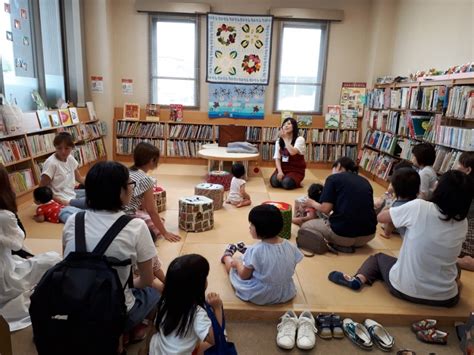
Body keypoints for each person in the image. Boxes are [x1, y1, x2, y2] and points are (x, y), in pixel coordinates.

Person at [328, 170, 473, 307]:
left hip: (405, 289)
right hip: (446, 299)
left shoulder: (419, 207)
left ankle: (358, 279)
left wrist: (389, 201)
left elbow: (380, 217)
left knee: (378, 259)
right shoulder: (463, 223)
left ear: (440, 191)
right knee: (454, 269)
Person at [62, 161, 160, 345]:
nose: (132, 189)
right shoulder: (136, 226)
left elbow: (67, 263)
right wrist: (126, 284)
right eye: (130, 185)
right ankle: (128, 330)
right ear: (121, 192)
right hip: (115, 309)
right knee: (153, 294)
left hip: (76, 304)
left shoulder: (73, 220)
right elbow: (146, 280)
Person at [0, 164, 61, 331]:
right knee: (54, 259)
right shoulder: (5, 217)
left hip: (8, 264)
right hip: (5, 278)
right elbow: (18, 242)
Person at [222, 204, 303, 305]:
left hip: (261, 294)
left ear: (261, 229)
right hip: (286, 292)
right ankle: (244, 253)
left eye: (252, 224)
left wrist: (237, 264)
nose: (249, 227)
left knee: (235, 267)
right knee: (258, 264)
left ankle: (227, 255)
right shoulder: (291, 246)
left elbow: (244, 276)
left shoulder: (256, 250)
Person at [150, 254, 224, 355]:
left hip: (157, 350)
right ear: (198, 285)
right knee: (219, 338)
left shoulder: (165, 301)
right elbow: (216, 339)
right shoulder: (197, 312)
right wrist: (217, 308)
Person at [299, 157, 377, 252]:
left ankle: (336, 245)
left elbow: (325, 208)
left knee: (305, 227)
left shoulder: (333, 179)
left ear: (339, 166)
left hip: (342, 235)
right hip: (368, 236)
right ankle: (344, 244)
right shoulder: (365, 181)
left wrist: (311, 202)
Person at [123, 142, 180, 242]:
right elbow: (151, 211)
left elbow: (144, 205)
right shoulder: (146, 180)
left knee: (153, 219)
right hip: (127, 218)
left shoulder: (125, 171)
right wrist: (165, 233)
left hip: (115, 212)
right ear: (152, 160)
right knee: (157, 225)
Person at [39, 132, 86, 208]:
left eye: (67, 148)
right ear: (55, 147)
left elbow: (79, 178)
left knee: (99, 194)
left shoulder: (70, 158)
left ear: (72, 147)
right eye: (59, 148)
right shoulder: (51, 163)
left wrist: (94, 186)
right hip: (60, 199)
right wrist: (60, 201)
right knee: (93, 203)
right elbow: (42, 188)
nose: (63, 151)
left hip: (71, 193)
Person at [379, 166, 420, 238]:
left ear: (395, 188)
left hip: (407, 238)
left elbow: (381, 219)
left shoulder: (397, 205)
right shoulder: (417, 203)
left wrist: (387, 233)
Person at [270, 117, 306, 190]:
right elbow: (277, 158)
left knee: (286, 183)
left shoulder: (299, 139)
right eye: (284, 124)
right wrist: (280, 171)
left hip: (296, 170)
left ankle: (292, 180)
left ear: (294, 126)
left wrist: (285, 138)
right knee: (274, 182)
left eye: (289, 124)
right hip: (283, 168)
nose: (286, 126)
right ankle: (284, 178)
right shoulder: (278, 141)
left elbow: (292, 152)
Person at [456, 152, 474, 271]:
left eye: (459, 163)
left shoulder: (463, 190)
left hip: (464, 246)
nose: (456, 166)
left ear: (468, 170)